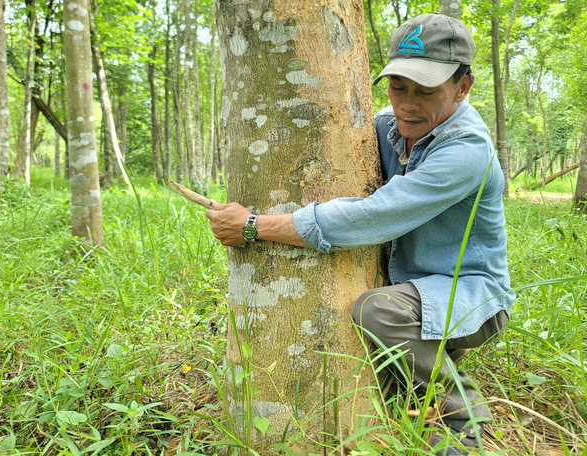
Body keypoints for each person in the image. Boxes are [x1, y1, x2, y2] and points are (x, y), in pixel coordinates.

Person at [206, 12, 515, 455]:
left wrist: (256, 226)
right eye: (397, 87)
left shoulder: (467, 150)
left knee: (379, 311)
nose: (407, 103)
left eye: (425, 91)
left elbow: (370, 216)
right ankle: (414, 397)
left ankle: (460, 422)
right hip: (414, 288)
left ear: (462, 87)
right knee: (391, 381)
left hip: (470, 295)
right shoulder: (388, 127)